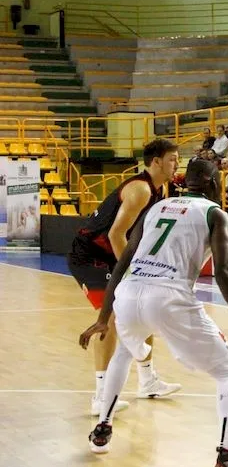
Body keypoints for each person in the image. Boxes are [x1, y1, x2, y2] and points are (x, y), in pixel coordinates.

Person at [79, 159, 228, 467]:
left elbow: (123, 259)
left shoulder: (158, 206)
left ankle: (102, 428)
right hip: (168, 296)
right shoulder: (215, 213)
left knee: (124, 351)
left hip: (129, 293)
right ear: (210, 182)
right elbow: (224, 271)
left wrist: (104, 315)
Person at [68, 138, 182, 416]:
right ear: (155, 162)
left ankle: (147, 381)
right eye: (172, 159)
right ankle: (100, 397)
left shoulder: (161, 189)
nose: (176, 164)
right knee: (111, 319)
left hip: (111, 254)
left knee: (144, 309)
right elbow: (115, 234)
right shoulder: (140, 190)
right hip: (89, 255)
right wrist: (133, 272)